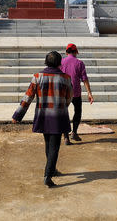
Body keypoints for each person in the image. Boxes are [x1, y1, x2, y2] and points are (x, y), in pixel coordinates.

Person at [12, 51, 73, 188]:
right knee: (54, 147)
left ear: (46, 62)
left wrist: (17, 115)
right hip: (58, 116)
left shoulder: (37, 77)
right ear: (59, 63)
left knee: (48, 143)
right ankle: (48, 175)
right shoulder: (66, 78)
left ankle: (52, 170)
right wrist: (62, 106)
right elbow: (69, 97)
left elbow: (28, 97)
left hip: (43, 115)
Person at [61, 43, 94, 145]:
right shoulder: (80, 63)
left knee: (63, 114)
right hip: (75, 92)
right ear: (75, 52)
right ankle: (74, 132)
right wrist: (89, 93)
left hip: (63, 93)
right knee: (78, 112)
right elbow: (84, 79)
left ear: (67, 52)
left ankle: (66, 136)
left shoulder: (61, 62)